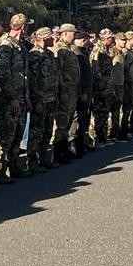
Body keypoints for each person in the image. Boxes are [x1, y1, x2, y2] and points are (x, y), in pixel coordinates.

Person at [0, 13, 30, 182]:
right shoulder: (6, 45)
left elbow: (23, 75)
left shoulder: (20, 45)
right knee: (5, 135)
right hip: (9, 100)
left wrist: (25, 97)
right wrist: (12, 97)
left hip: (21, 97)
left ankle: (13, 166)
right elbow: (2, 74)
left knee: (17, 133)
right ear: (22, 27)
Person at [26, 27, 58, 171]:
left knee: (47, 130)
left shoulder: (49, 54)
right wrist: (36, 101)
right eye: (51, 37)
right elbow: (33, 80)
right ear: (44, 38)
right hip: (40, 99)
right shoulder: (34, 55)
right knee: (36, 132)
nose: (54, 39)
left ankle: (44, 158)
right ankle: (32, 162)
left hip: (51, 98)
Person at [52, 23, 81, 162]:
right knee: (62, 122)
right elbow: (58, 73)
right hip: (65, 93)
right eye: (72, 32)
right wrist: (62, 91)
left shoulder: (69, 50)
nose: (74, 35)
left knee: (70, 120)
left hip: (73, 92)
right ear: (64, 33)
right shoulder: (60, 50)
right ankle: (58, 152)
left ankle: (65, 149)